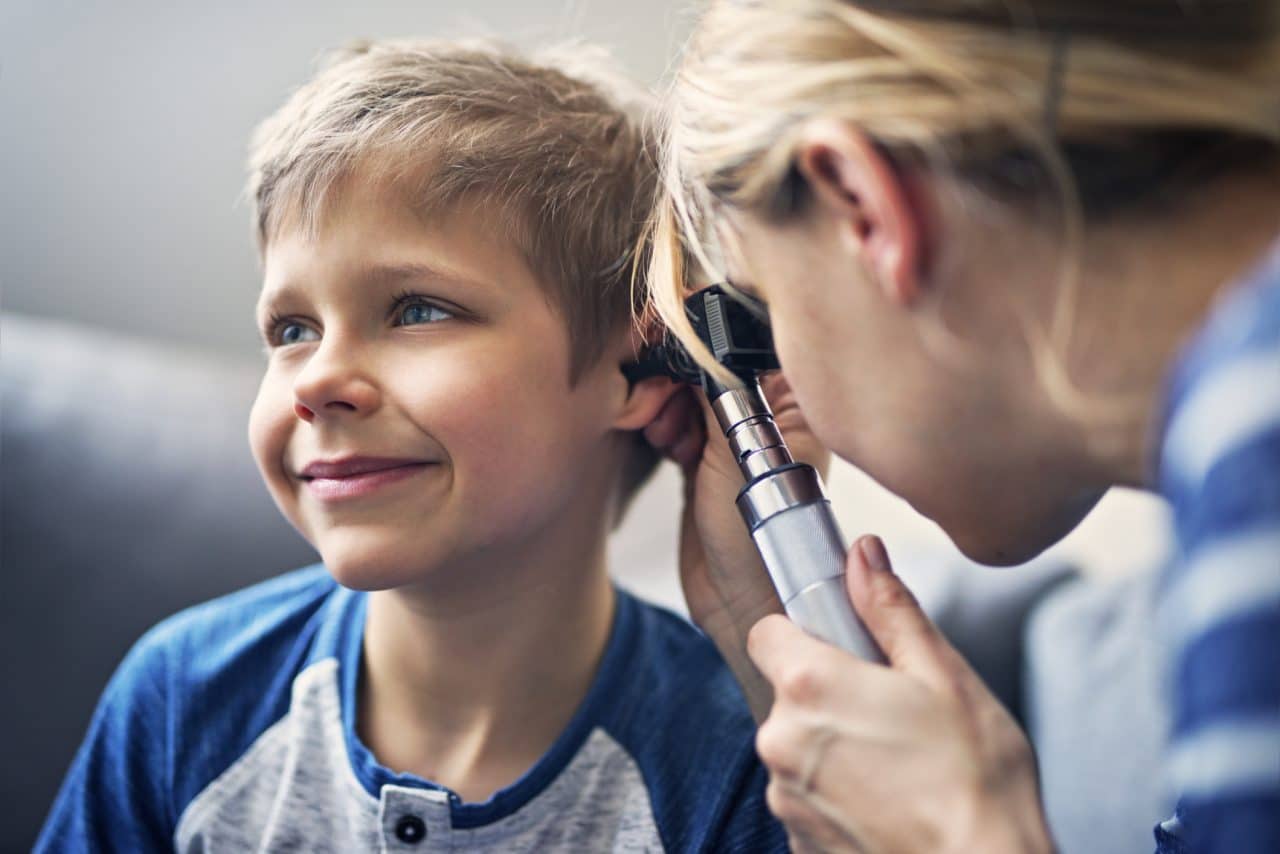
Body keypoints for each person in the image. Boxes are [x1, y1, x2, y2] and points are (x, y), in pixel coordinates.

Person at [36, 39, 788, 852]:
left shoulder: (744, 759)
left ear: (635, 369)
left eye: (417, 310)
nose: (316, 381)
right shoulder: (182, 701)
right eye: (292, 329)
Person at [642, 1, 1280, 851]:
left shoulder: (1253, 424)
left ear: (860, 205)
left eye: (764, 309)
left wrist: (962, 835)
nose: (788, 381)